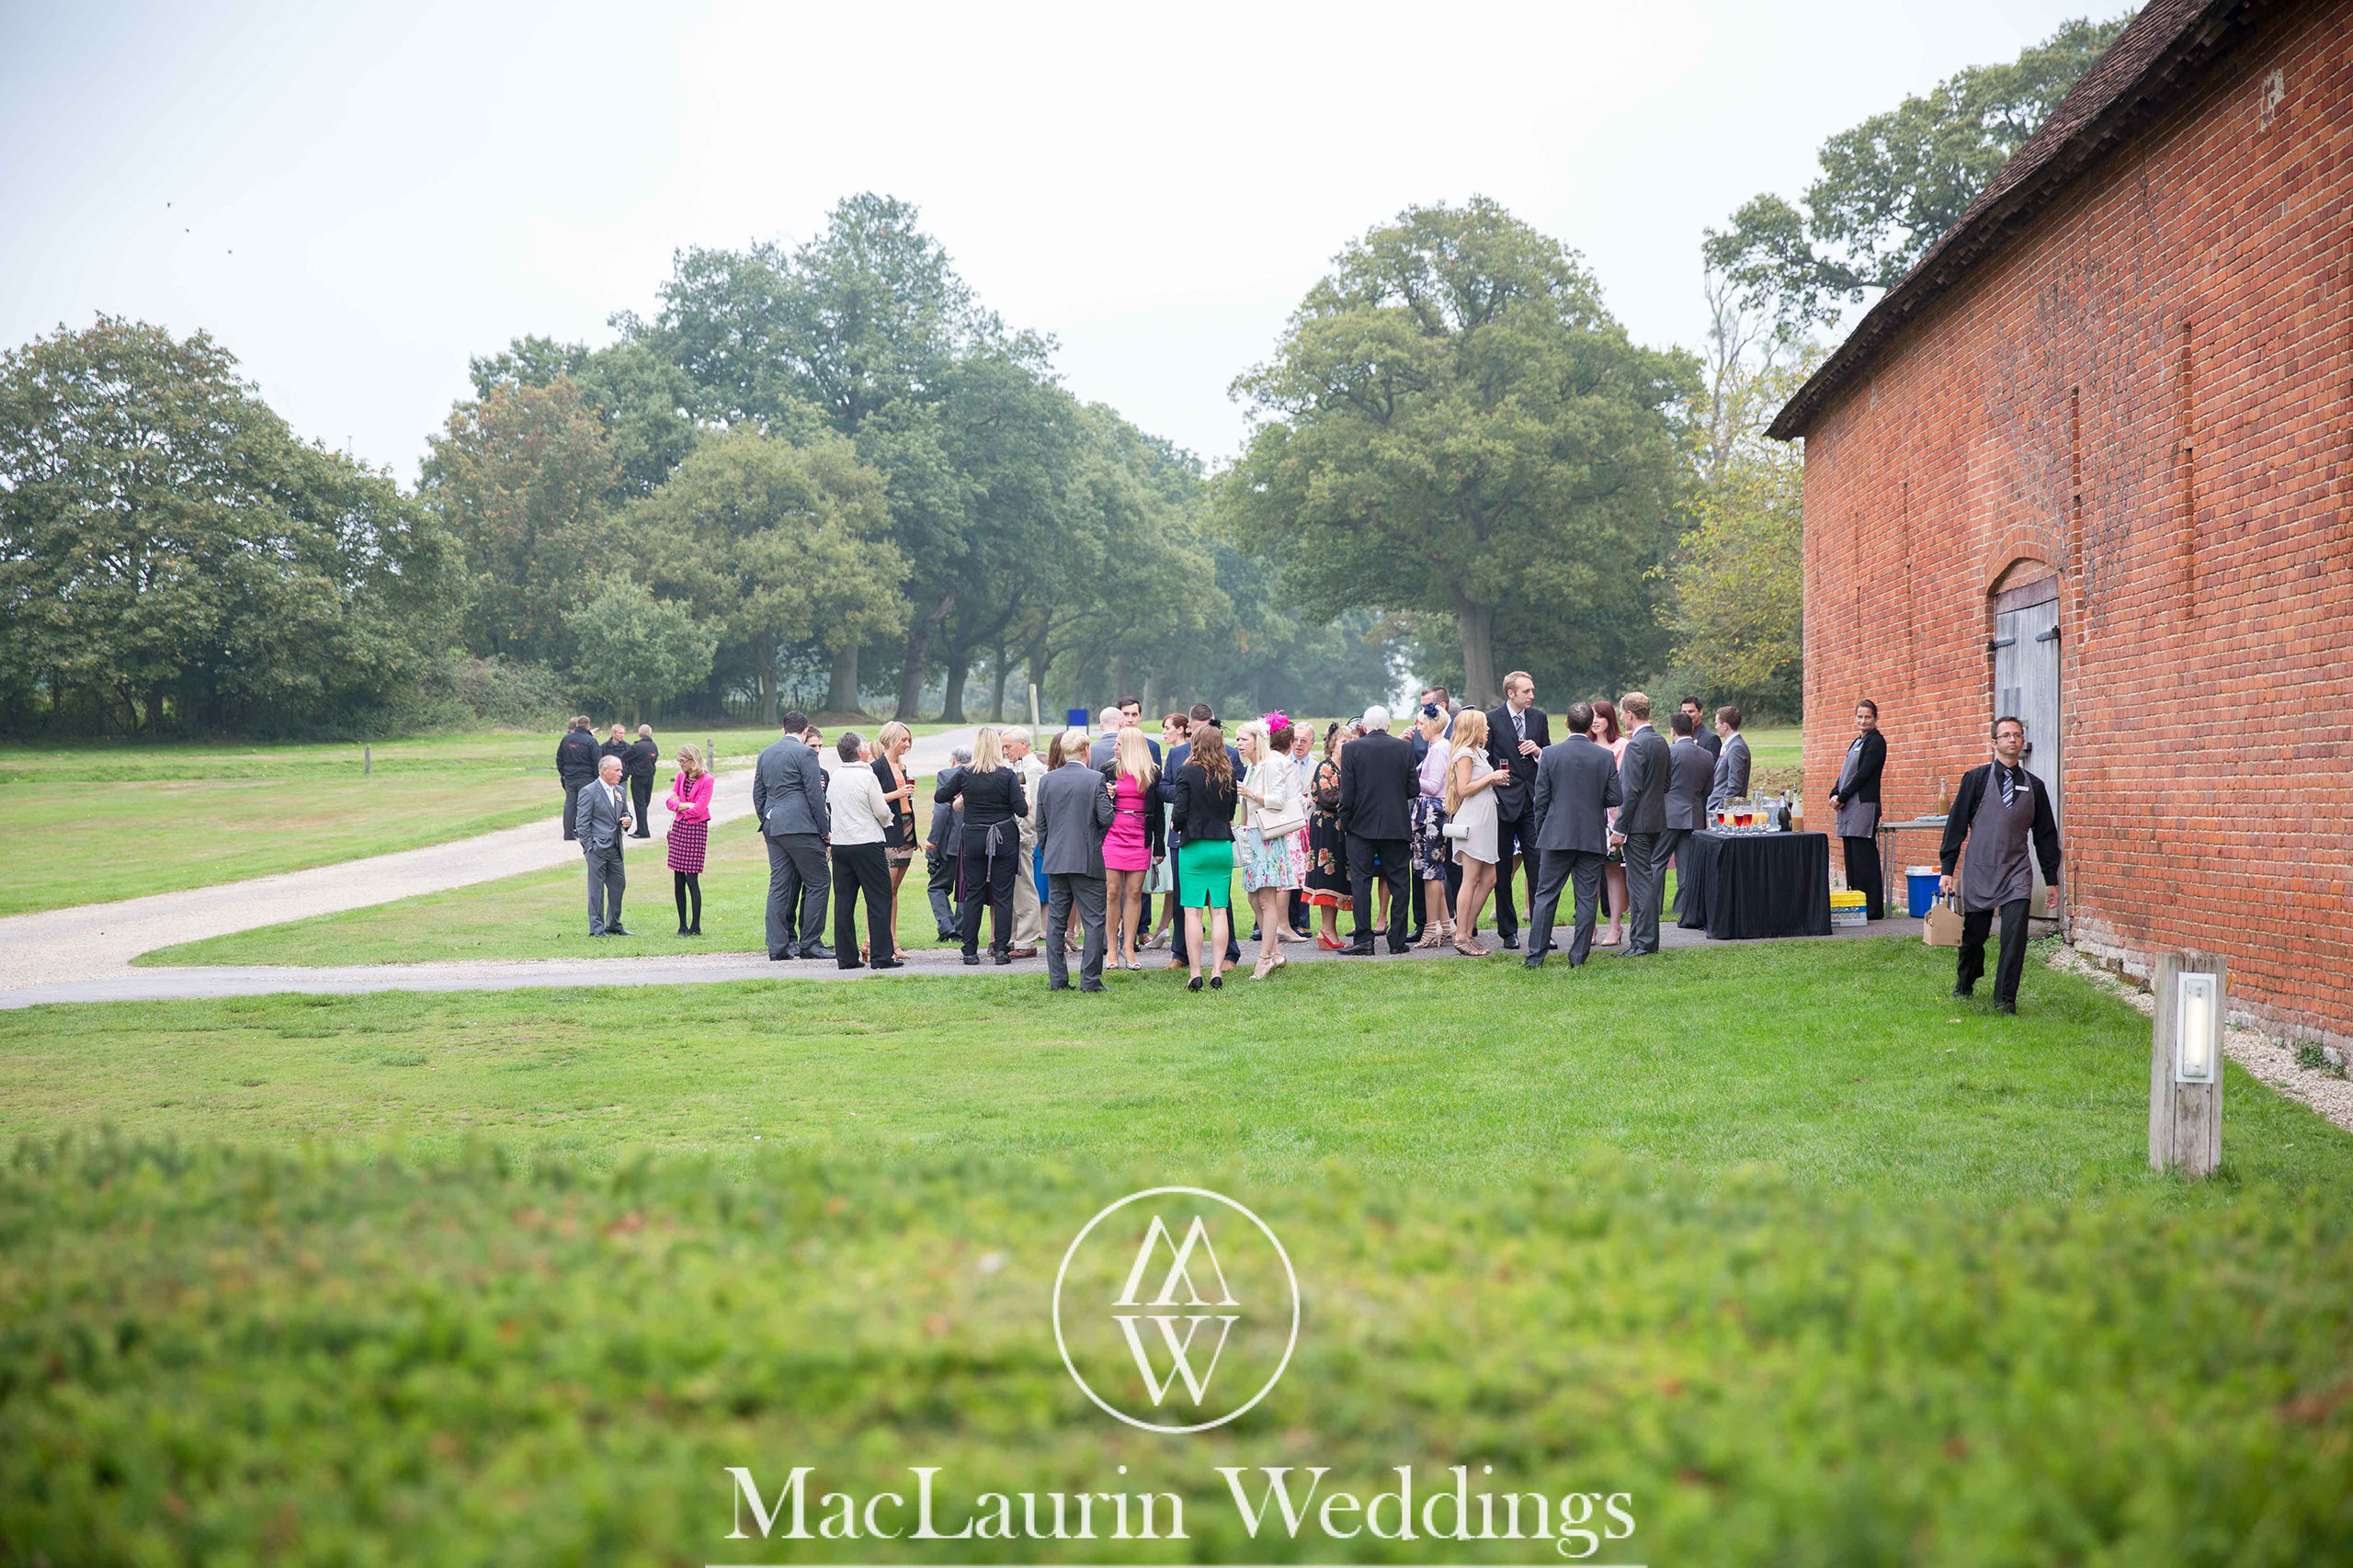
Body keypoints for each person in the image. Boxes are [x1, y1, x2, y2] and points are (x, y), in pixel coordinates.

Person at [1938, 716, 2062, 1014]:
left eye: (2017, 735)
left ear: (2021, 742)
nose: (2012, 740)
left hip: (2016, 871)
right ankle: (1966, 980)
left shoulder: (2035, 786)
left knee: (2014, 938)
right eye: (2005, 735)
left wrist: (2050, 879)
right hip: (1980, 870)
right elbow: (1955, 826)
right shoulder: (1975, 780)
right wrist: (1947, 869)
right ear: (1994, 743)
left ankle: (2005, 999)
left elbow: (2045, 835)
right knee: (1974, 937)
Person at [1524, 701, 1621, 969]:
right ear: (1591, 725)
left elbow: (1540, 800)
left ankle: (1535, 957)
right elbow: (1616, 796)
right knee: (1587, 897)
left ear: (1566, 723)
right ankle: (1578, 957)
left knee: (1545, 896)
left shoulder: (1550, 754)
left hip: (1556, 835)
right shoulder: (1604, 756)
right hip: (1590, 835)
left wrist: (1542, 831)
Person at [937, 726, 1029, 965]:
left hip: (974, 837)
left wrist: (964, 797)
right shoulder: (1007, 774)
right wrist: (1025, 796)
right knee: (1003, 894)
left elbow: (940, 796)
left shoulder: (966, 773)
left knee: (973, 893)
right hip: (1004, 837)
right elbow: (1021, 810)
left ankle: (969, 950)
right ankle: (1000, 950)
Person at [1160, 704, 1243, 972]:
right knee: (1219, 910)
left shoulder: (1186, 772)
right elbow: (1231, 811)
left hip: (1193, 846)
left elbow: (1180, 811)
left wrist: (1177, 822)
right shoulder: (1228, 773)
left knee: (1192, 911)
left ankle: (1195, 972)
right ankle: (1217, 970)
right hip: (1221, 846)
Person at [1036, 726, 1115, 992]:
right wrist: (1095, 836)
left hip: (1056, 858)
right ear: (1086, 751)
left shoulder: (1047, 780)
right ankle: (1090, 980)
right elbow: (1106, 817)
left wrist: (1048, 852)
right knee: (1094, 921)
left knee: (1056, 922)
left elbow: (1041, 824)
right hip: (1087, 858)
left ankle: (1058, 980)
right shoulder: (1095, 779)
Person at [1336, 703, 1416, 956]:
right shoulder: (1403, 748)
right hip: (1396, 825)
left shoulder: (1351, 749)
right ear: (1389, 726)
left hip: (1360, 826)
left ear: (1363, 727)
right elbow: (1413, 789)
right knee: (1400, 882)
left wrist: (1345, 822)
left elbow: (1346, 793)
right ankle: (1397, 940)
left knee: (1361, 883)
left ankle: (1363, 940)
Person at [752, 711, 832, 960]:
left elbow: (758, 793)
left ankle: (777, 946)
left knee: (779, 885)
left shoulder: (766, 753)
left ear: (783, 729)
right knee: (819, 881)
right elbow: (814, 794)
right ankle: (810, 943)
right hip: (801, 825)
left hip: (773, 825)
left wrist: (767, 818)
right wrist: (825, 829)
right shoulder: (805, 754)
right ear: (806, 731)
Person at [823, 732, 899, 971]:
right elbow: (880, 809)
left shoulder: (835, 776)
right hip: (867, 843)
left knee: (844, 901)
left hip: (842, 844)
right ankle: (881, 956)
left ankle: (845, 957)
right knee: (879, 898)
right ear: (859, 752)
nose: (868, 750)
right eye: (865, 747)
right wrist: (889, 820)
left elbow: (830, 804)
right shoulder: (867, 776)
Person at [1483, 672, 1549, 950]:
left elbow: (1549, 756)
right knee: (1502, 869)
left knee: (1538, 868)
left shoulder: (1539, 718)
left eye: (1532, 690)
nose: (1531, 696)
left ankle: (1541, 929)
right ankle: (1508, 931)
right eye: (1526, 691)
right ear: (1511, 693)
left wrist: (1538, 752)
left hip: (1532, 803)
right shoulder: (1492, 718)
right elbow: (1483, 758)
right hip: (1502, 802)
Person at [1235, 720, 1305, 980]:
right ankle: (1275, 953)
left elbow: (1278, 801)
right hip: (1252, 837)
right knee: (1253, 899)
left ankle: (1264, 958)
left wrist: (1251, 793)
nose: (1239, 744)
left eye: (1243, 739)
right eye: (1238, 740)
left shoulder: (1271, 764)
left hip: (1267, 838)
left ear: (1257, 740)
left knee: (1266, 899)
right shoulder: (1253, 767)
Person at [1442, 709, 1507, 957]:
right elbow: (1463, 789)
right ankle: (1461, 935)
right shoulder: (1465, 754)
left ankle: (1467, 930)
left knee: (1490, 878)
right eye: (1484, 726)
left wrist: (1494, 780)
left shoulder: (1479, 752)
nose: (1488, 729)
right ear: (1473, 729)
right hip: (1473, 820)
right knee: (1471, 879)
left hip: (1485, 818)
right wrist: (1490, 777)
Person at [1612, 693, 1670, 957]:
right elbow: (1667, 784)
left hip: (1637, 824)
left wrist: (1619, 829)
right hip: (1656, 820)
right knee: (1643, 880)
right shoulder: (1660, 741)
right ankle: (1641, 940)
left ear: (1631, 714)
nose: (1622, 717)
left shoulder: (1636, 745)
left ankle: (1644, 943)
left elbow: (1631, 790)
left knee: (1639, 883)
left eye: (1622, 713)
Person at [1101, 725, 1160, 972]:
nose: (1114, 747)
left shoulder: (1152, 773)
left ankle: (1129, 946)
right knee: (1113, 891)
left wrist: (1159, 846)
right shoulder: (1108, 770)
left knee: (1135, 892)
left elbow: (1156, 812)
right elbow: (1098, 806)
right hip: (1113, 835)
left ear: (1131, 746)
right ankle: (1111, 947)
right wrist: (1108, 795)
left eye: (1118, 743)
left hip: (1140, 836)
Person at [1828, 699, 1888, 919]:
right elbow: (1845, 773)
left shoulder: (1876, 742)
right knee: (1852, 859)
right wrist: (1834, 792)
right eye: (1860, 716)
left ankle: (1872, 909)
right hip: (1847, 806)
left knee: (1865, 860)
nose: (1863, 720)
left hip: (1863, 805)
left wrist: (1842, 796)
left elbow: (1863, 774)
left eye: (1868, 717)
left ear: (1875, 718)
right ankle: (1856, 907)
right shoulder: (1856, 742)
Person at [1657, 710, 1714, 921]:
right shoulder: (1707, 756)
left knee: (1657, 862)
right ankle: (1683, 908)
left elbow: (1660, 784)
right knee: (1688, 866)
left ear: (1672, 731)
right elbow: (1709, 788)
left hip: (1668, 814)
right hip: (1694, 813)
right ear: (1692, 730)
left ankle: (1653, 907)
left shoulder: (1668, 753)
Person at [1302, 722, 1353, 949]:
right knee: (1328, 877)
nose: (1349, 745)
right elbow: (1327, 798)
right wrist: (1353, 801)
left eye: (1351, 741)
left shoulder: (1348, 768)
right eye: (1344, 741)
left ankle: (1328, 931)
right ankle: (1326, 931)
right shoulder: (1326, 767)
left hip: (1342, 828)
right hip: (1327, 829)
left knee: (1339, 879)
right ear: (1333, 745)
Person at [1408, 703, 1455, 949]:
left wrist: (1411, 777)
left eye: (1422, 723)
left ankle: (1431, 926)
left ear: (1433, 724)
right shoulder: (1437, 747)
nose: (1419, 728)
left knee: (1430, 871)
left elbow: (1434, 784)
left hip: (1432, 814)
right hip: (1429, 813)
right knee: (1433, 868)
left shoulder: (1438, 749)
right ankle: (1446, 923)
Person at [872, 722, 919, 960]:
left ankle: (891, 941)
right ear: (891, 739)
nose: (907, 744)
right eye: (904, 740)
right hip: (889, 833)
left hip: (906, 831)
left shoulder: (902, 765)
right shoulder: (877, 767)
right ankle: (874, 941)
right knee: (884, 890)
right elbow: (872, 798)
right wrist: (897, 794)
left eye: (909, 740)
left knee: (894, 890)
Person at [1000, 727, 1046, 959]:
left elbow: (1034, 808)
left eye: (1008, 746)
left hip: (1022, 836)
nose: (1005, 751)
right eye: (1004, 747)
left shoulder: (1034, 768)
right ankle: (1013, 937)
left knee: (1025, 885)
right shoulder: (1016, 767)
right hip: (1011, 835)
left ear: (1023, 744)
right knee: (1013, 888)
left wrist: (1025, 837)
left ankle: (1027, 939)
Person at [578, 754, 632, 937]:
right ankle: (597, 928)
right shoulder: (589, 791)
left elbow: (625, 812)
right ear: (604, 770)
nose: (620, 773)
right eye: (617, 770)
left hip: (615, 847)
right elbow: (582, 824)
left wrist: (628, 820)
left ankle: (614, 924)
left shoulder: (620, 791)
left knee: (619, 885)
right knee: (596, 890)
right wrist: (589, 847)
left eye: (621, 770)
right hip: (597, 848)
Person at [1591, 698, 1630, 947]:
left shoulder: (1621, 745)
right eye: (1591, 716)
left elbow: (1624, 783)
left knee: (1613, 872)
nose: (1595, 721)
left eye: (1600, 717)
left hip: (1612, 816)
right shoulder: (1585, 743)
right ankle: (1589, 925)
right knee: (1588, 873)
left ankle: (1615, 925)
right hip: (1588, 816)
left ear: (1610, 720)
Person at [922, 746, 970, 942]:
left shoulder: (946, 775)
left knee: (937, 885)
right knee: (965, 887)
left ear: (952, 760)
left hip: (950, 841)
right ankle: (960, 931)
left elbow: (941, 811)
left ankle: (946, 925)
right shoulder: (977, 774)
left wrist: (933, 839)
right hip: (971, 840)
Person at [665, 743, 712, 936]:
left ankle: (696, 925)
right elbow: (669, 803)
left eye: (682, 761)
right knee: (678, 878)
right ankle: (682, 925)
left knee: (692, 879)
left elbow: (699, 809)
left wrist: (680, 805)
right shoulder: (680, 777)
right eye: (679, 761)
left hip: (696, 829)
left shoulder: (707, 780)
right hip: (679, 828)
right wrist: (684, 805)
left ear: (693, 761)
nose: (680, 764)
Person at [556, 716, 600, 841]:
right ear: (588, 726)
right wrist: (597, 778)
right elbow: (597, 760)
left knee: (570, 804)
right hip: (586, 777)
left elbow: (559, 758)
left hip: (570, 776)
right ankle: (585, 832)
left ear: (576, 725)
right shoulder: (590, 741)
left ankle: (568, 833)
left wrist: (564, 773)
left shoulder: (566, 739)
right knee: (586, 804)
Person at [1708, 706, 1752, 812]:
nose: (1716, 727)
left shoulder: (1736, 748)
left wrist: (1720, 808)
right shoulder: (1731, 745)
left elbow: (1734, 785)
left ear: (1725, 726)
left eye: (1717, 723)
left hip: (1727, 812)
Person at [624, 725, 659, 838]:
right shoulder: (654, 746)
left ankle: (643, 831)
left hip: (638, 777)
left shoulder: (637, 747)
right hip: (650, 777)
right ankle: (641, 828)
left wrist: (629, 769)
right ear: (651, 734)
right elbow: (654, 759)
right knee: (645, 803)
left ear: (639, 735)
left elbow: (624, 757)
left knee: (640, 804)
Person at [1682, 697, 1722, 762]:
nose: (1687, 715)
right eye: (1684, 712)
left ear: (1701, 712)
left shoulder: (1711, 739)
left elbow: (1712, 766)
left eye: (1691, 711)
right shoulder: (1678, 735)